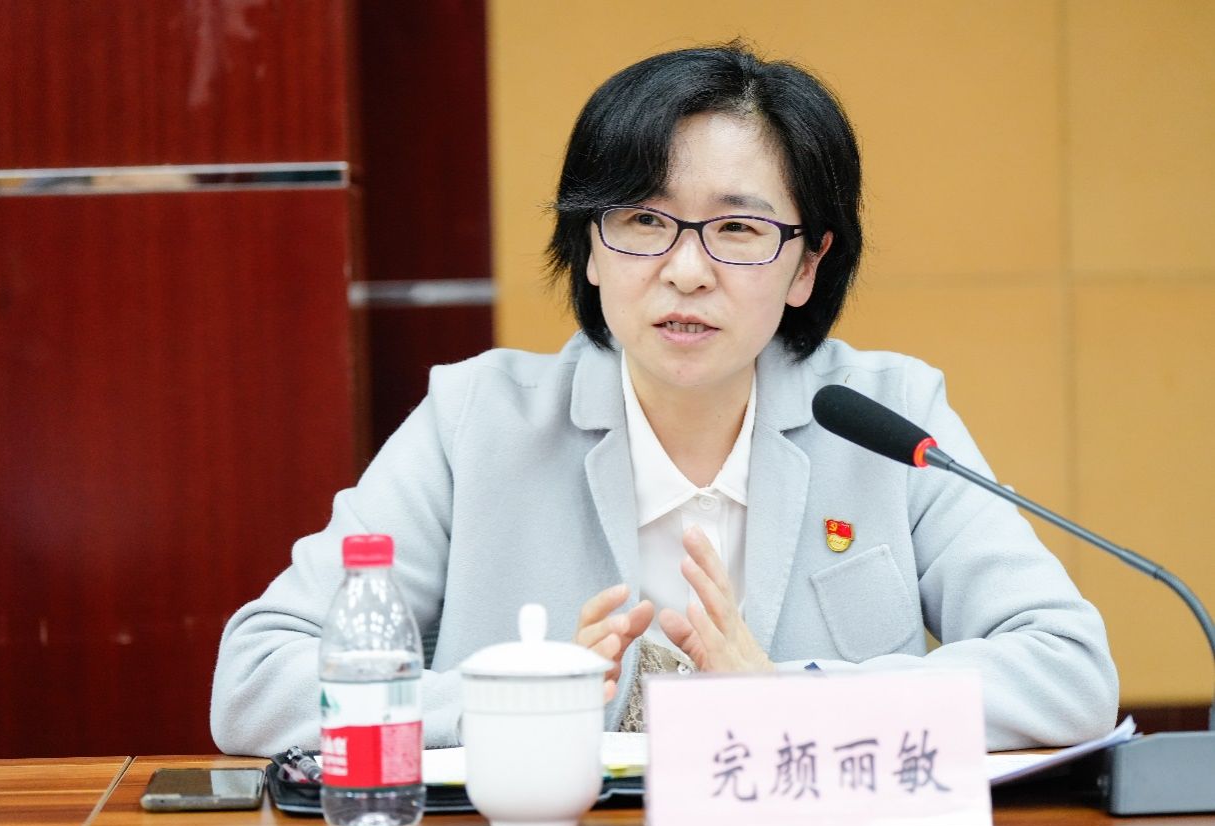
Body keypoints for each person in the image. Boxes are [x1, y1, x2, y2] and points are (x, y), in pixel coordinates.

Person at [210, 43, 1117, 754]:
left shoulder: (886, 418)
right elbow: (258, 684)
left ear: (807, 265)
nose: (686, 270)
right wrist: (508, 703)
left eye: (738, 228)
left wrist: (793, 703)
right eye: (644, 220)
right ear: (590, 247)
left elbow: (1068, 672)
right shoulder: (476, 421)